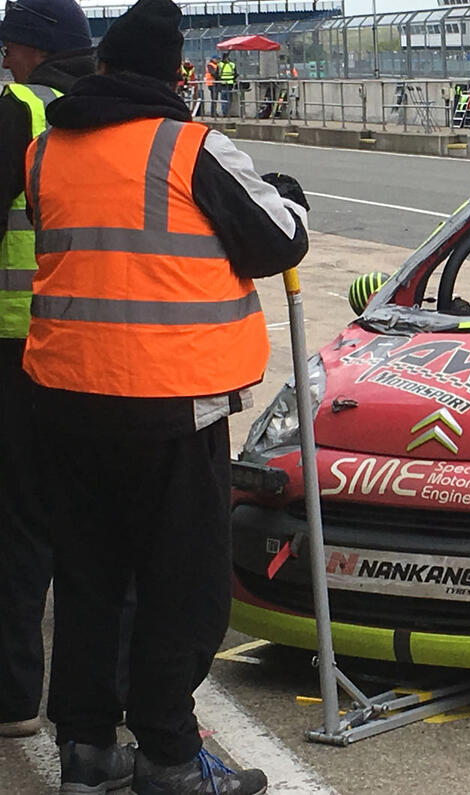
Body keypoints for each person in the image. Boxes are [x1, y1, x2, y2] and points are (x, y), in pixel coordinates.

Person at [24, 0, 309, 792]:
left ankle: (85, 752)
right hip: (170, 405)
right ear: (174, 78)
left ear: (103, 66)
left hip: (67, 399)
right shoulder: (191, 147)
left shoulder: (46, 151)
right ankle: (172, 757)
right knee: (182, 587)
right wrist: (287, 195)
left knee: (88, 580)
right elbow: (280, 238)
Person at [0, 0, 94, 744]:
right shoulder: (115, 117)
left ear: (35, 48)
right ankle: (95, 719)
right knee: (93, 529)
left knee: (20, 521)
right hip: (97, 347)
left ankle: (13, 695)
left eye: (11, 45)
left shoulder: (18, 113)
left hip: (15, 341)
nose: (5, 58)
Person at [217, 50, 237, 116]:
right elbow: (235, 74)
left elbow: (217, 74)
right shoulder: (232, 64)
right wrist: (233, 80)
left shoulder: (220, 64)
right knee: (229, 99)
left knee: (224, 100)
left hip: (223, 83)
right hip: (230, 84)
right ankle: (227, 113)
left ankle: (225, 113)